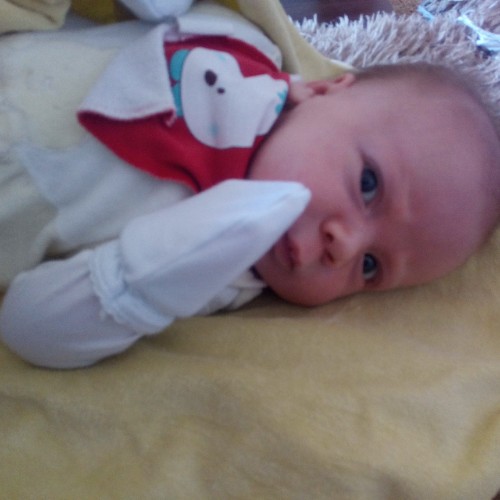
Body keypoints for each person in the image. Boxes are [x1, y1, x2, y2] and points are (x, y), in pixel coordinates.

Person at [0, 2, 499, 368]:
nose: (345, 246)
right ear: (324, 89)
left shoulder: (220, 278)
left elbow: (29, 328)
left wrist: (134, 284)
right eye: (369, 184)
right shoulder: (244, 42)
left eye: (370, 267)